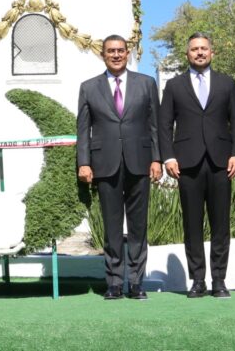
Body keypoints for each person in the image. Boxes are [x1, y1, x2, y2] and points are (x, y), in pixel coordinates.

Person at [76, 34, 161, 300]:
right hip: (105, 164)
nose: (116, 55)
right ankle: (113, 282)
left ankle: (136, 282)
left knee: (138, 226)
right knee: (112, 226)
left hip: (140, 162)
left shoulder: (146, 83)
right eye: (111, 51)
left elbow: (155, 125)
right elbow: (83, 130)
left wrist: (157, 159)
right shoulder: (89, 87)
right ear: (103, 54)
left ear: (128, 53)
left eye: (120, 50)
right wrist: (84, 162)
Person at [158, 32, 235, 298]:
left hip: (221, 162)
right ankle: (197, 280)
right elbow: (164, 124)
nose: (200, 52)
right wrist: (168, 157)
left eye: (204, 48)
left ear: (212, 52)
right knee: (192, 225)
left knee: (221, 224)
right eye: (194, 49)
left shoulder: (226, 83)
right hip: (187, 163)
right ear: (187, 54)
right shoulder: (174, 85)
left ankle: (219, 280)